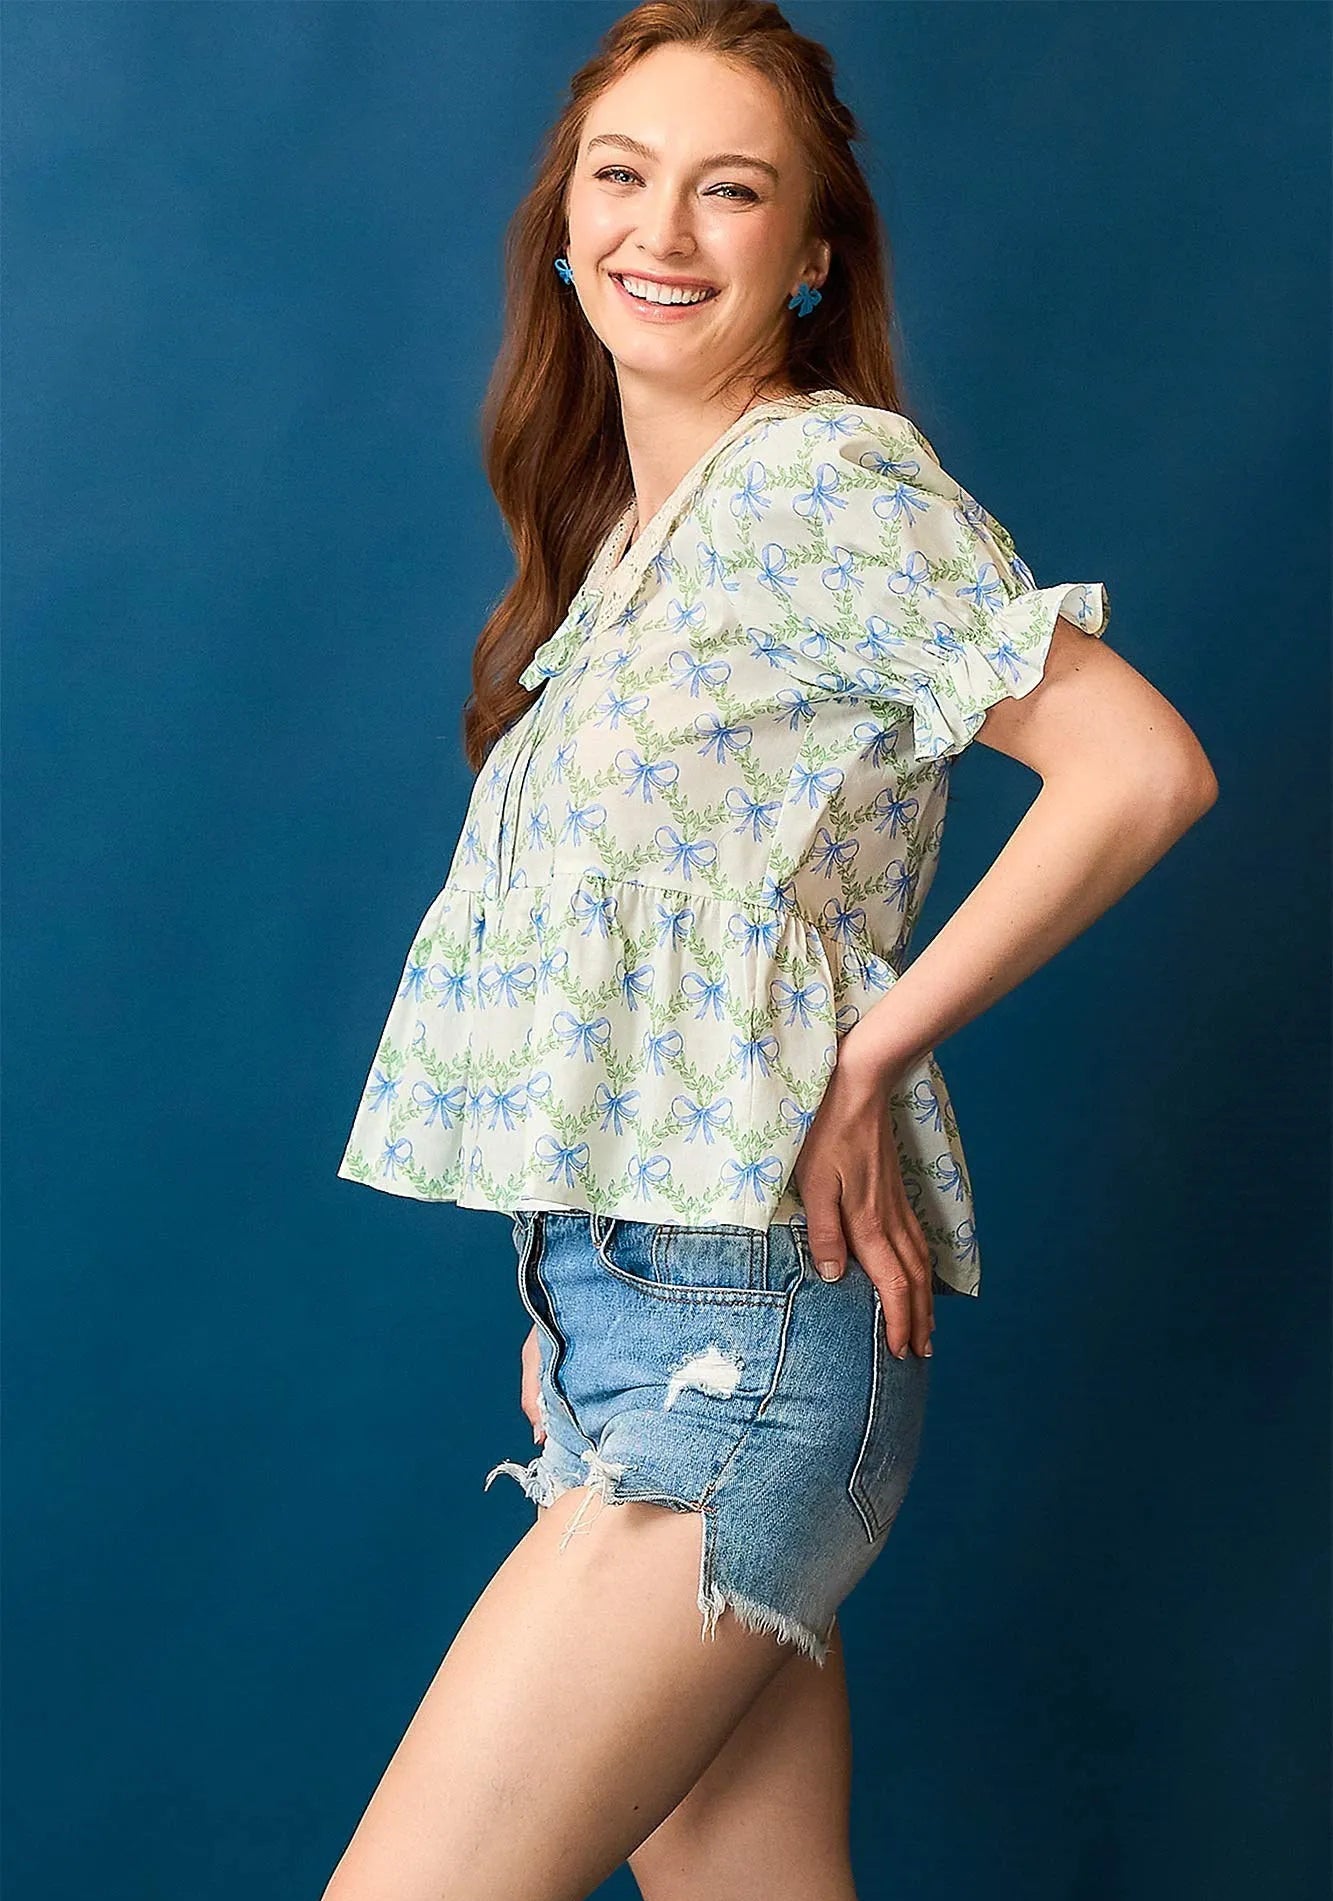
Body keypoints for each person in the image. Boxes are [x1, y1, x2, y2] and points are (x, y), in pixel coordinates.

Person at [324, 5, 1217, 1896]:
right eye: (621, 177)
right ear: (562, 226)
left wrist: (872, 1051)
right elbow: (652, 988)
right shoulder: (636, 545)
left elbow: (1138, 766)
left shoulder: (823, 487)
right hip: (624, 1335)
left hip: (740, 1346)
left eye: (729, 190)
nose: (662, 229)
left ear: (810, 257)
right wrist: (570, 1287)